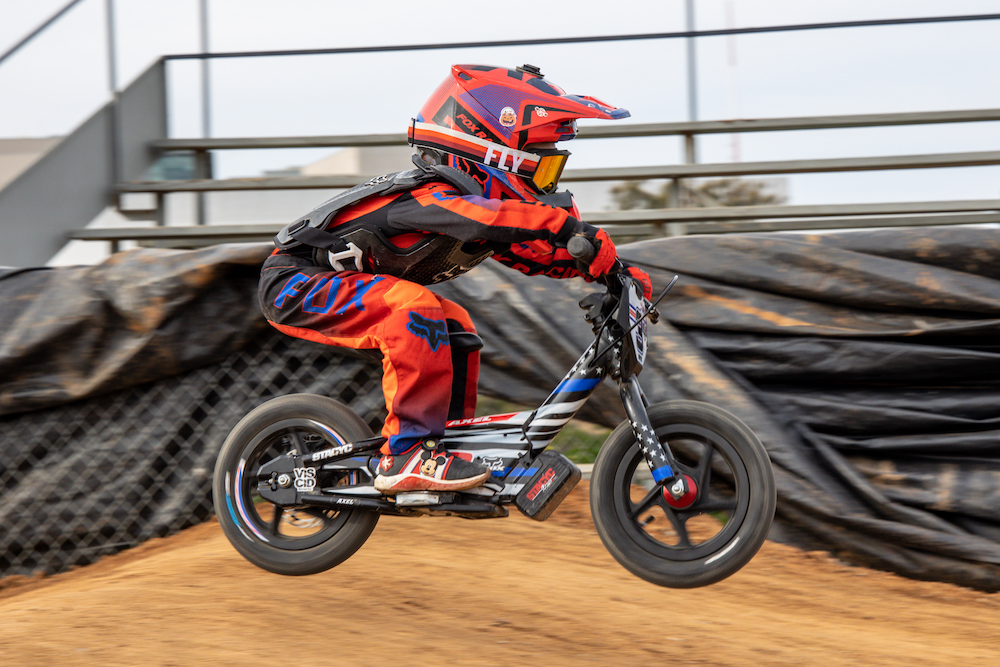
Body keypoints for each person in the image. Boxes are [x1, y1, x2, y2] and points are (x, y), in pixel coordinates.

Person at [259, 64, 652, 495]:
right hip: (295, 282)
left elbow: (540, 255)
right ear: (494, 154)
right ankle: (407, 455)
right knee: (414, 308)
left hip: (335, 286)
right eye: (541, 169)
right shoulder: (429, 197)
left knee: (456, 324)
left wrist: (616, 271)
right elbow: (489, 220)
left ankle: (444, 445)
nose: (547, 184)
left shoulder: (484, 215)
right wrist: (560, 225)